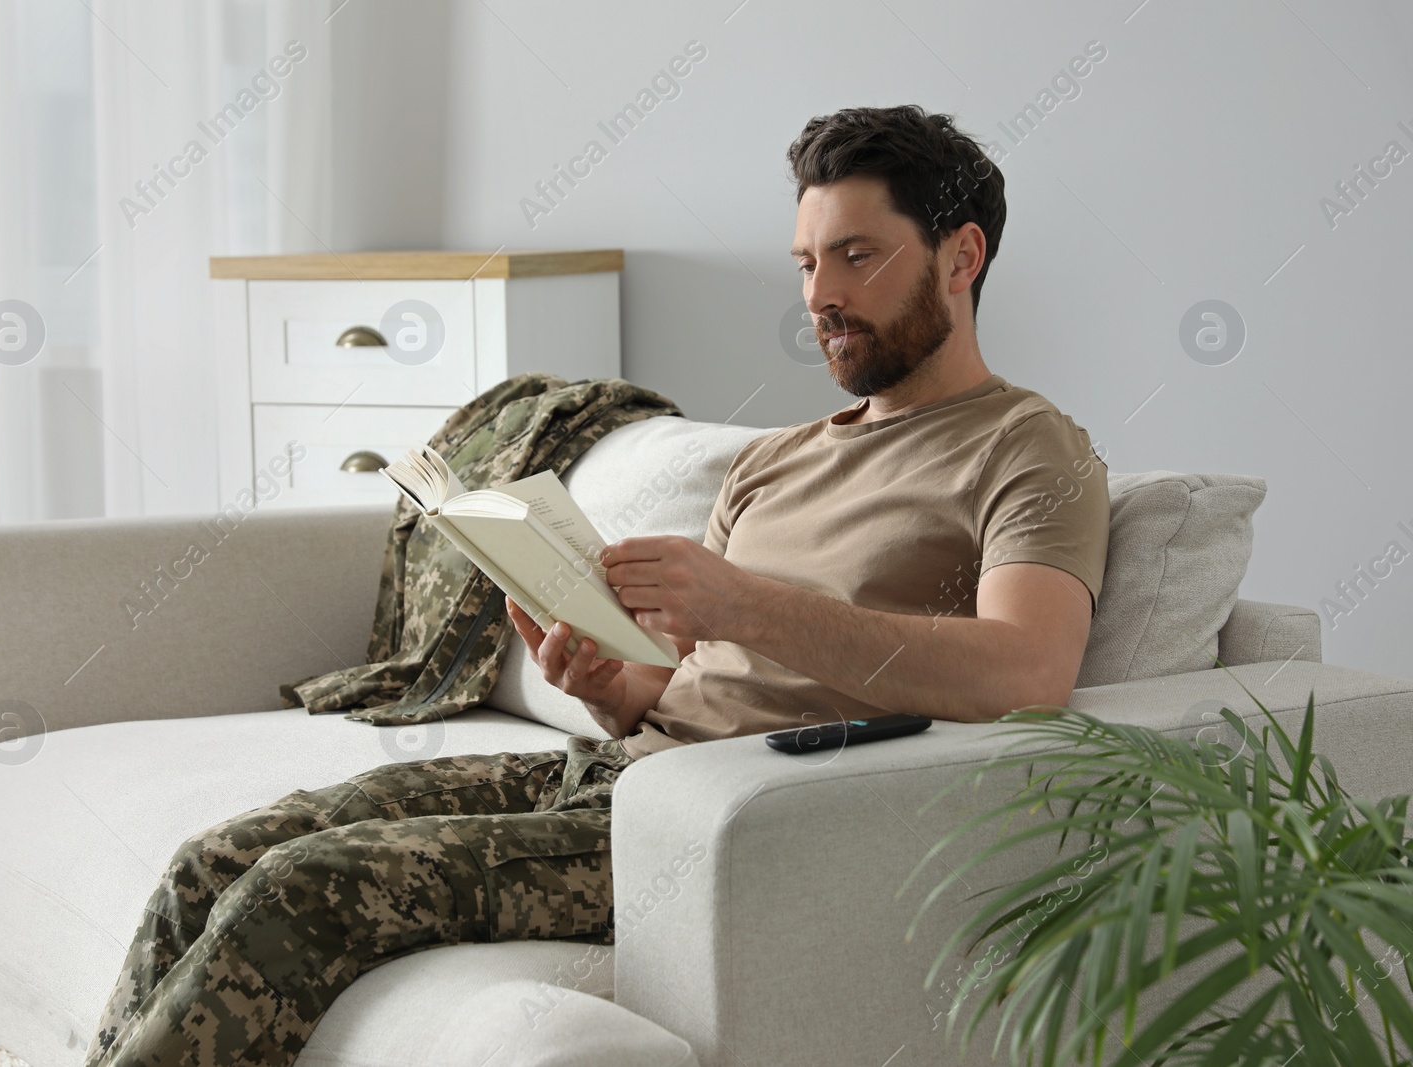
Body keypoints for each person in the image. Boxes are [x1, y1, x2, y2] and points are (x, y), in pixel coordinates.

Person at [85, 104, 1108, 1067]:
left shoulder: (1026, 447)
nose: (818, 296)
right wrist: (608, 681)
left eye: (855, 255)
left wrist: (743, 603)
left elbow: (1025, 669)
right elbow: (680, 685)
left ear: (960, 256)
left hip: (725, 820)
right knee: (216, 856)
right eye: (804, 262)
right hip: (613, 766)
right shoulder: (774, 459)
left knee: (299, 889)